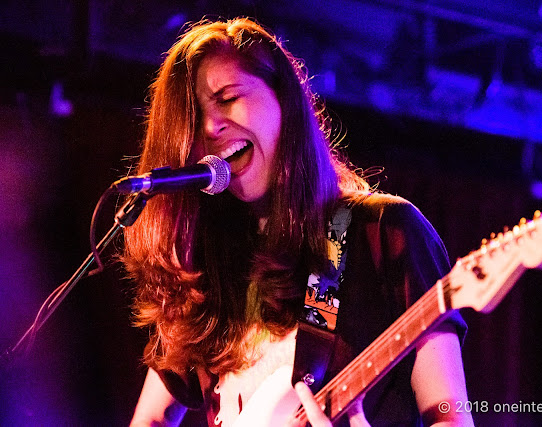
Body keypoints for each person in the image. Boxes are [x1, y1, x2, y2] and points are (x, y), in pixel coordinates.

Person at [124, 17, 472, 426]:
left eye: (228, 97)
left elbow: (453, 417)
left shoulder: (382, 233)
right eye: (194, 117)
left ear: (284, 102)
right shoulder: (208, 270)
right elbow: (149, 418)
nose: (210, 126)